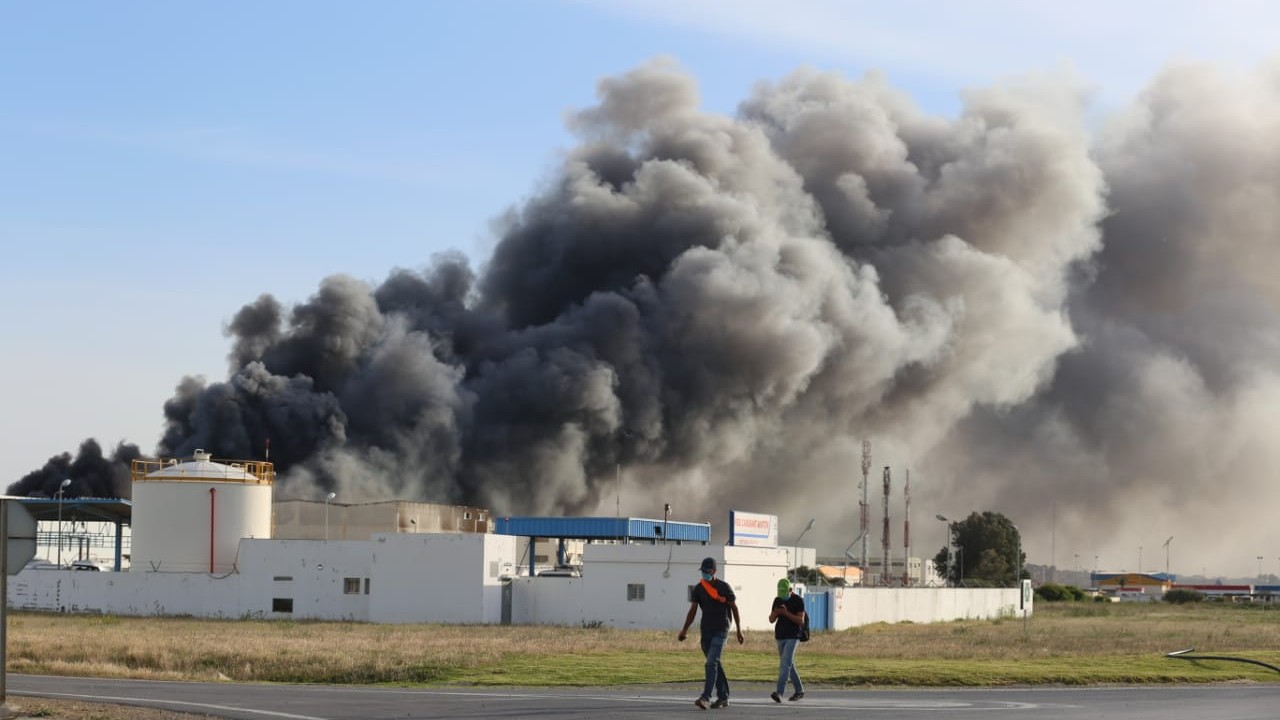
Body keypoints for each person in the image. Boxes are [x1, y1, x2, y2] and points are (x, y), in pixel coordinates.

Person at [677, 557, 744, 709]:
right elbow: (693, 611)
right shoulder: (699, 588)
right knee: (715, 664)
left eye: (707, 571)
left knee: (711, 663)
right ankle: (723, 697)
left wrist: (739, 630)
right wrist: (684, 630)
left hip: (721, 629)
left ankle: (705, 697)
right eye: (703, 571)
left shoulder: (723, 587)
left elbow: (734, 608)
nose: (704, 574)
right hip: (706, 631)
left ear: (714, 571)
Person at [768, 577, 806, 703]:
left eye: (785, 594)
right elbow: (771, 619)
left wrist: (786, 613)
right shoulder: (777, 600)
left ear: (790, 590)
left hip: (793, 636)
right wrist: (776, 612)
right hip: (780, 636)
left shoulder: (798, 601)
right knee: (789, 664)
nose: (782, 597)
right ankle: (799, 691)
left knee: (785, 664)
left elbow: (800, 620)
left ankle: (779, 692)